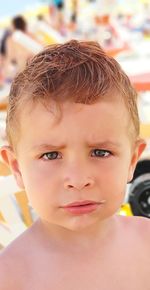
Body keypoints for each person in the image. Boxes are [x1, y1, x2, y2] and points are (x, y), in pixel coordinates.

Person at [0, 40, 149, 290]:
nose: (78, 179)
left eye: (100, 152)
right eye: (50, 155)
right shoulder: (10, 277)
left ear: (132, 159)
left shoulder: (146, 243)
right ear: (16, 168)